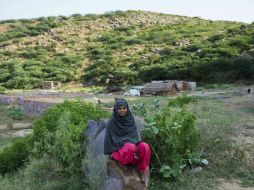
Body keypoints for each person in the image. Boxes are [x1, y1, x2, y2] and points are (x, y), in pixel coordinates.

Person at [104, 98, 151, 185]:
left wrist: (135, 145)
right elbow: (110, 139)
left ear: (127, 108)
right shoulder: (112, 122)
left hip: (131, 149)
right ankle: (123, 163)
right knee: (130, 147)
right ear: (116, 109)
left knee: (145, 146)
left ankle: (143, 169)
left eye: (124, 108)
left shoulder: (130, 120)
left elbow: (134, 136)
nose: (122, 110)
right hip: (120, 150)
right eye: (119, 108)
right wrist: (111, 152)